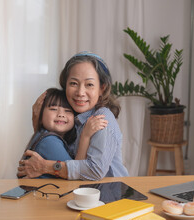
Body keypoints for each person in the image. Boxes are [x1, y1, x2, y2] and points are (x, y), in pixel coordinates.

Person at [17, 51, 129, 180]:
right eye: (73, 83)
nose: (80, 92)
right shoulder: (73, 115)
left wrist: (46, 166)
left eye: (89, 85)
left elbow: (95, 170)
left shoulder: (101, 118)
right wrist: (38, 123)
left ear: (102, 89)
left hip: (110, 194)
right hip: (83, 194)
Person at [21, 87, 107, 178]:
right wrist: (85, 136)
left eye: (67, 111)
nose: (61, 114)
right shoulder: (50, 142)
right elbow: (76, 173)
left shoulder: (47, 136)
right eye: (53, 109)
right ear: (40, 115)